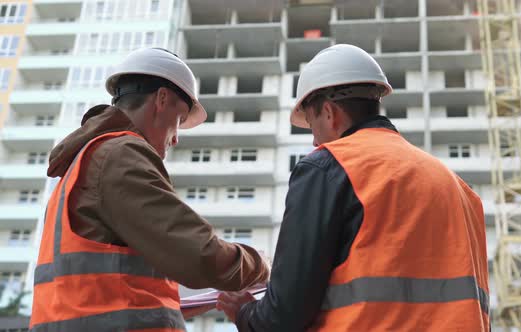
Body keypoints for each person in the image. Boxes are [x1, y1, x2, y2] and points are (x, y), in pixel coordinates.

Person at [217, 44, 490, 331]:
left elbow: (283, 316)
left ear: (329, 112)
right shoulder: (459, 188)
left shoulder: (329, 167)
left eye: (311, 125)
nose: (314, 143)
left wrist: (246, 312)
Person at [29, 48, 269, 332]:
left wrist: (182, 303)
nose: (176, 138)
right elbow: (199, 255)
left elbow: (106, 288)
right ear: (162, 99)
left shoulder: (82, 165)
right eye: (179, 120)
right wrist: (263, 266)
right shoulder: (120, 154)